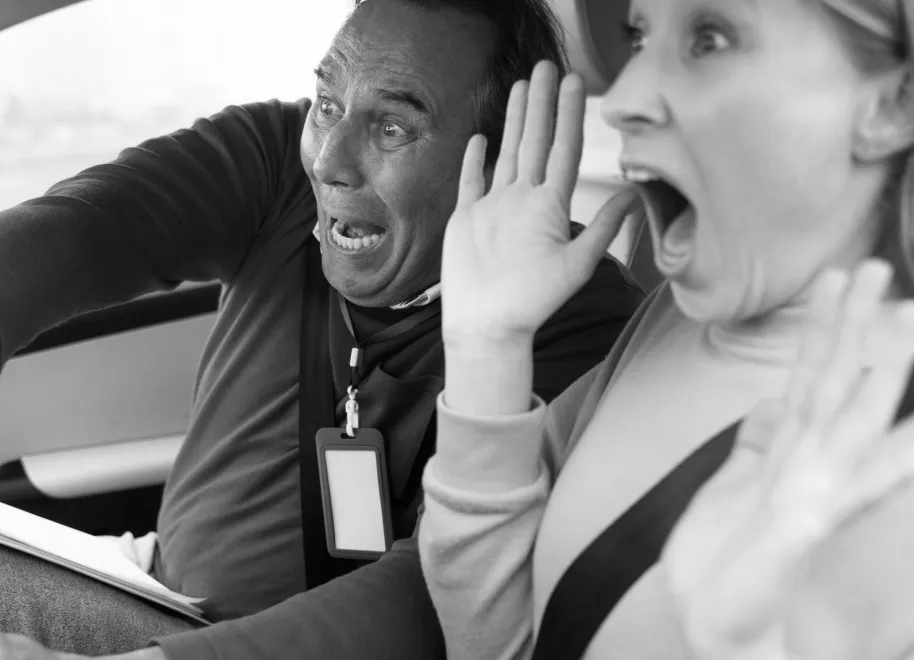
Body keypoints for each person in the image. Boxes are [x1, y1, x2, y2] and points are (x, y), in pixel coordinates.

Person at [0, 0, 646, 658]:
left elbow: (444, 593)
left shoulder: (582, 328)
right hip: (145, 584)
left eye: (392, 127)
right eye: (328, 103)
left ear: (507, 151)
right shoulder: (279, 163)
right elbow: (83, 230)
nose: (329, 160)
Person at [419, 0, 914, 658]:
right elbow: (501, 643)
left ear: (893, 105)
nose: (621, 98)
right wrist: (487, 349)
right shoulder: (667, 319)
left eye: (708, 38)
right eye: (639, 35)